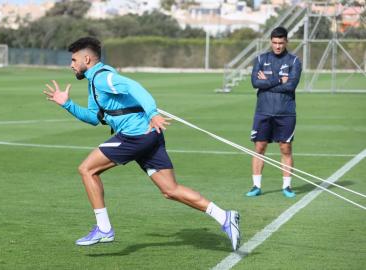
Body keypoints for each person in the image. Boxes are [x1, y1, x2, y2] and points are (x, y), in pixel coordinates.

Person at [43, 37, 241, 250]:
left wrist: (153, 113)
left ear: (87, 59)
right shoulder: (94, 83)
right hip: (149, 136)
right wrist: (67, 104)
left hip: (135, 136)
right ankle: (225, 216)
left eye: (74, 60)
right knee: (170, 190)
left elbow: (134, 87)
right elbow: (93, 118)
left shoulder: (103, 78)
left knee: (87, 170)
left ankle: (104, 229)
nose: (71, 65)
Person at [247, 26, 302, 198]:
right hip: (263, 111)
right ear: (270, 42)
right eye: (275, 42)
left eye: (281, 43)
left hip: (286, 112)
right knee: (259, 147)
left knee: (285, 148)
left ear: (286, 42)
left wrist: (268, 81)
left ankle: (287, 187)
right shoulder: (261, 59)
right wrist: (278, 79)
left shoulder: (294, 61)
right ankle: (256, 186)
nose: (278, 46)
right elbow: (255, 83)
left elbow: (291, 86)